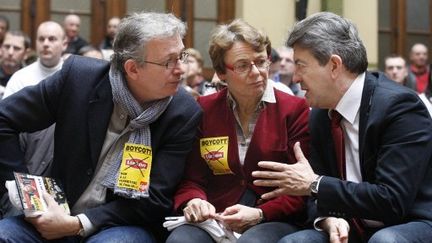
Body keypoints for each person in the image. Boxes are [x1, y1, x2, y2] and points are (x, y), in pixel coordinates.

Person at [0, 12, 201, 242]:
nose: (181, 69)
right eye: (169, 61)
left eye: (181, 56)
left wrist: (78, 224)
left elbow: (154, 199)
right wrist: (29, 193)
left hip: (120, 224)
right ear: (133, 69)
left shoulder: (183, 112)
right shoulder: (79, 78)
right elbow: (4, 119)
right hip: (57, 208)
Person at [252, 12, 432, 243]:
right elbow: (313, 196)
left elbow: (392, 200)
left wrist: (315, 185)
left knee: (385, 241)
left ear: (335, 65)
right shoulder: (320, 114)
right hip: (350, 223)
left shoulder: (399, 107)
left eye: (300, 65)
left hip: (408, 221)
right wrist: (326, 218)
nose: (295, 77)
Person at [167, 19, 310, 243]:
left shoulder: (293, 109)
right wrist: (194, 200)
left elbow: (301, 186)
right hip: (216, 217)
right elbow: (191, 178)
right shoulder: (204, 110)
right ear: (222, 73)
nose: (256, 72)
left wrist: (260, 213)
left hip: (272, 217)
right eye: (243, 65)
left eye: (261, 61)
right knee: (181, 240)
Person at [0, 21, 67, 219]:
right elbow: (5, 130)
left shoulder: (73, 77)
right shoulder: (20, 78)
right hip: (24, 166)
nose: (46, 43)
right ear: (35, 45)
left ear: (64, 44)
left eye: (52, 39)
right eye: (41, 39)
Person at [0, 31, 31, 96]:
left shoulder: (31, 78)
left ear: (26, 54)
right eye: (7, 46)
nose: (10, 52)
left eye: (16, 48)